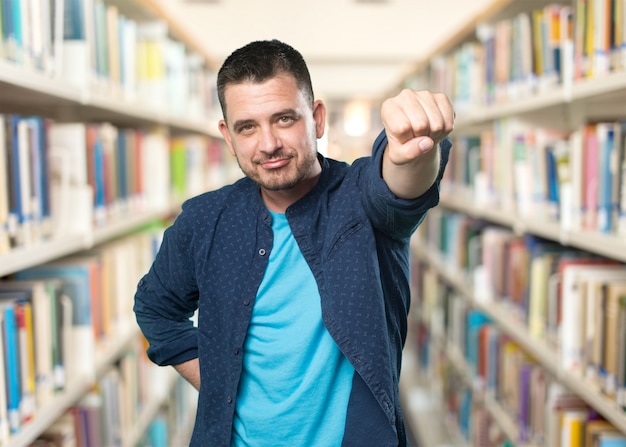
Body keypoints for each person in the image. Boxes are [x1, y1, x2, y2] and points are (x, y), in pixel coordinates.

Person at [133, 39, 454, 447]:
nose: (268, 144)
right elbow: (155, 309)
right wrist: (220, 384)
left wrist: (413, 151)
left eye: (284, 119)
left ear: (317, 119)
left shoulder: (360, 200)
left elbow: (399, 189)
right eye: (247, 127)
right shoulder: (204, 220)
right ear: (227, 137)